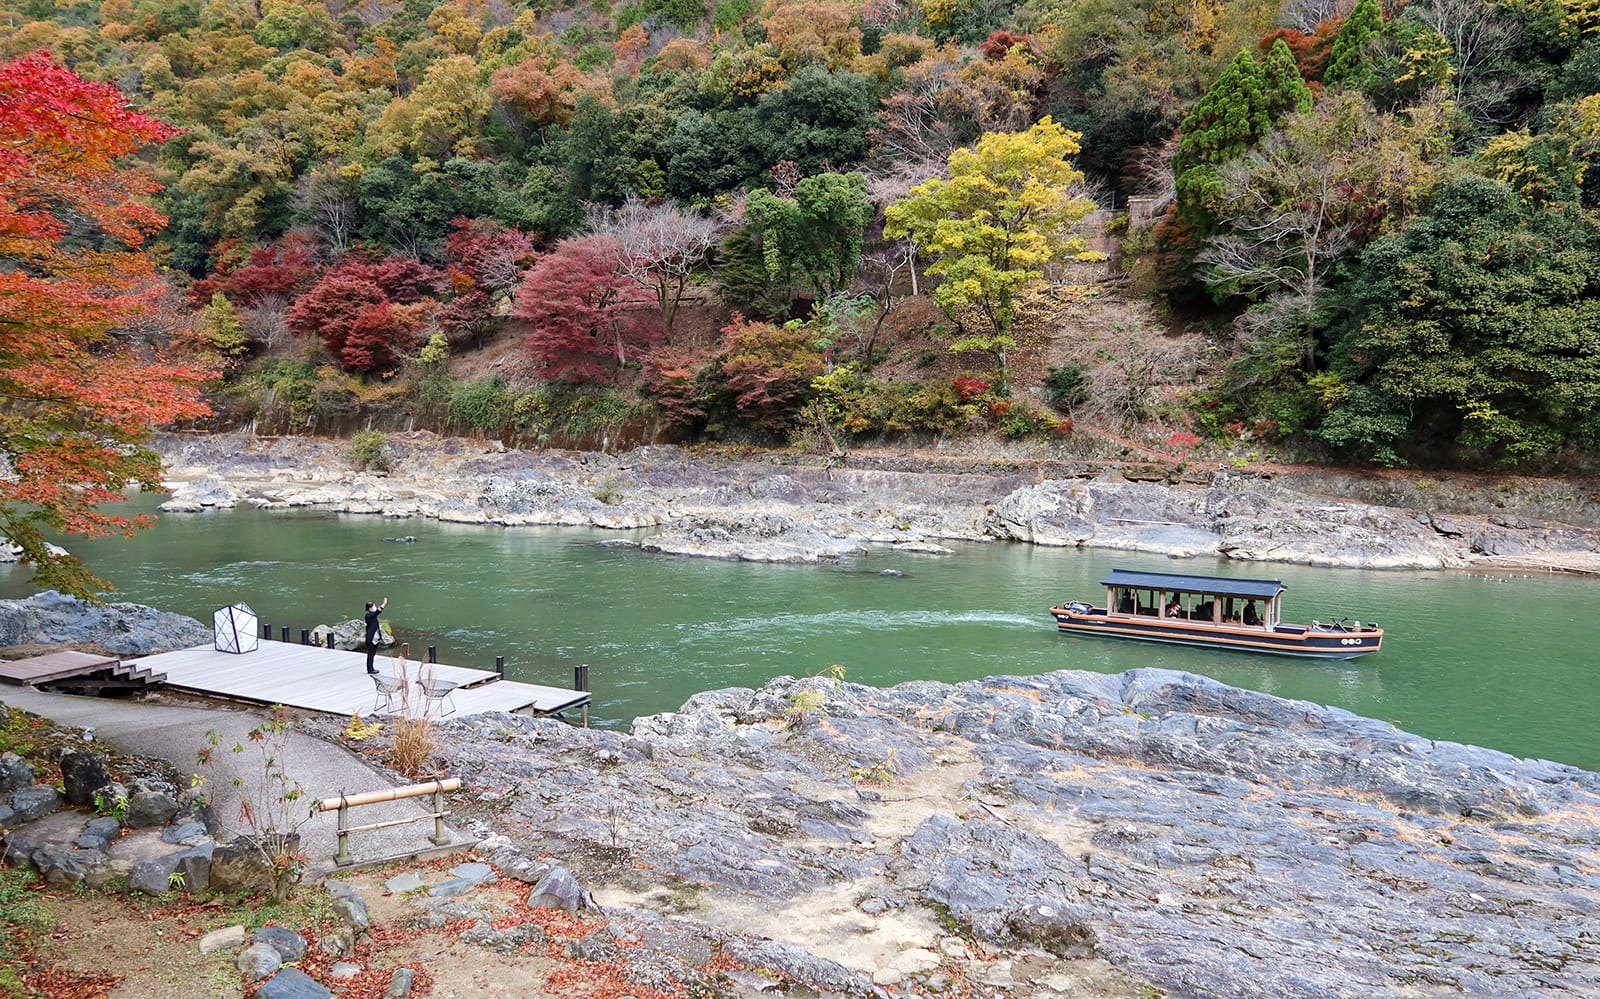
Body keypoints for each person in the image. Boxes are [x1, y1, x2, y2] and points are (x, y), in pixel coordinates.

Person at [364, 596, 389, 674]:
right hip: (371, 638)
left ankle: (371, 668)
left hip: (375, 637)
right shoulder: (368, 615)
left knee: (372, 653)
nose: (375, 607)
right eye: (374, 606)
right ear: (370, 608)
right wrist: (384, 603)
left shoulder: (372, 615)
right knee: (371, 654)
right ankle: (370, 669)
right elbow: (378, 611)